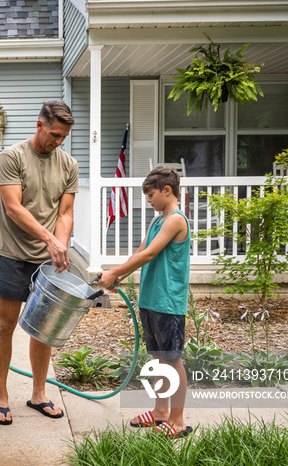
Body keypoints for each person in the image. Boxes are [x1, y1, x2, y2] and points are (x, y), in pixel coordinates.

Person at [0, 101, 78, 425]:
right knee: (4, 327)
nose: (58, 142)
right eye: (54, 134)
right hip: (13, 257)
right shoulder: (11, 157)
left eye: (63, 137)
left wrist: (61, 245)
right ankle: (1, 396)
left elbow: (65, 212)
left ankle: (38, 393)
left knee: (44, 331)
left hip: (47, 261)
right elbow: (14, 208)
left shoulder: (68, 164)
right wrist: (50, 240)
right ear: (39, 124)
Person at [97, 166, 192, 438]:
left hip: (168, 302)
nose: (148, 200)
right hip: (151, 298)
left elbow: (150, 254)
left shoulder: (175, 219)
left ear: (167, 190)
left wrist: (113, 272)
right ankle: (160, 412)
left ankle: (177, 420)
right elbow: (140, 251)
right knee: (159, 358)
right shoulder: (158, 219)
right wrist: (120, 274)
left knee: (172, 360)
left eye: (151, 195)